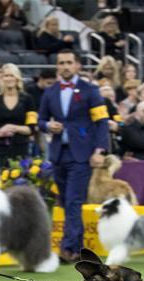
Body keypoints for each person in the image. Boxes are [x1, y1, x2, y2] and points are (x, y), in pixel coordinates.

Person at [38, 50, 109, 263]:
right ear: (57, 66)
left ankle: (68, 248)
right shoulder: (49, 92)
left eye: (69, 62)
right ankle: (77, 248)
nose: (66, 66)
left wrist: (100, 150)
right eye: (61, 63)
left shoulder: (91, 90)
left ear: (77, 65)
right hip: (59, 154)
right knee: (66, 201)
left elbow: (102, 122)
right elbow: (40, 120)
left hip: (82, 155)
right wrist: (48, 125)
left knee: (73, 201)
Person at [0, 63, 36, 165]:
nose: (9, 78)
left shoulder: (28, 99)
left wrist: (13, 127)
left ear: (17, 78)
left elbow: (31, 129)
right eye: (6, 75)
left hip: (21, 148)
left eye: (11, 75)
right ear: (2, 79)